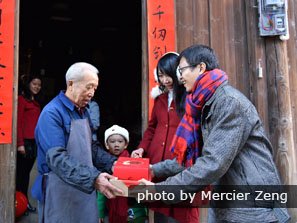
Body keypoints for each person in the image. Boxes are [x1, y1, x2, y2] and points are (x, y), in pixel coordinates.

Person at [139, 44, 291, 223]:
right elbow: (192, 158)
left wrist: (160, 190)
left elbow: (213, 163)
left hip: (253, 206)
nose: (179, 77)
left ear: (201, 67)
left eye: (182, 70)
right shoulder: (204, 104)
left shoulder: (228, 102)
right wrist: (153, 169)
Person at [31, 62, 123, 223]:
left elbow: (91, 148)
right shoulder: (52, 113)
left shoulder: (84, 112)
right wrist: (94, 178)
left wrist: (114, 164)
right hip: (58, 191)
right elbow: (57, 159)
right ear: (71, 84)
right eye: (88, 87)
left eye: (94, 88)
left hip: (83, 189)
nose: (92, 93)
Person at [131, 52, 198, 223]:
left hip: (178, 162)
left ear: (178, 73)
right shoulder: (160, 99)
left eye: (168, 75)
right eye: (161, 76)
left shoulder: (189, 98)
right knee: (160, 210)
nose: (165, 80)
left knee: (181, 210)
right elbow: (152, 128)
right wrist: (141, 148)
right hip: (156, 160)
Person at [97, 124, 147, 223]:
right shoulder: (105, 165)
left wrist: (144, 210)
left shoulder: (133, 162)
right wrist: (100, 213)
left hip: (134, 210)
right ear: (107, 145)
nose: (116, 144)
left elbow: (141, 187)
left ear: (126, 144)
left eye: (120, 141)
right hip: (112, 209)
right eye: (112, 141)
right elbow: (101, 194)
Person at [16, 75, 42, 215]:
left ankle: (23, 204)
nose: (37, 87)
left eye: (39, 84)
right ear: (28, 84)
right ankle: (19, 204)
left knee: (25, 174)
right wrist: (20, 144)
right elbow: (18, 122)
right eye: (34, 83)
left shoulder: (34, 102)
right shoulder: (21, 99)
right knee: (21, 176)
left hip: (33, 142)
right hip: (25, 142)